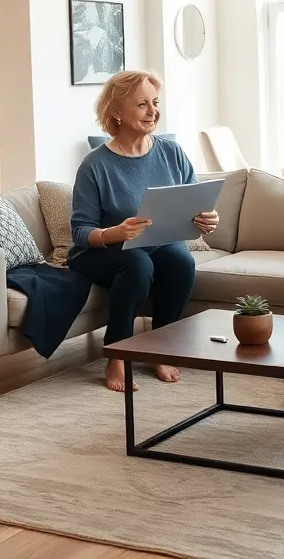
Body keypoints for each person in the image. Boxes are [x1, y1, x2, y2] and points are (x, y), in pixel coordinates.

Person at [68, 70, 219, 392]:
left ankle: (159, 348)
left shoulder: (171, 152)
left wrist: (206, 219)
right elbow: (80, 231)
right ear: (117, 112)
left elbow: (193, 205)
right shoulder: (95, 165)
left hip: (155, 245)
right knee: (138, 263)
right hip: (101, 252)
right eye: (142, 104)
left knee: (181, 262)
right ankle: (117, 354)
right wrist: (116, 232)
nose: (153, 112)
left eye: (155, 102)